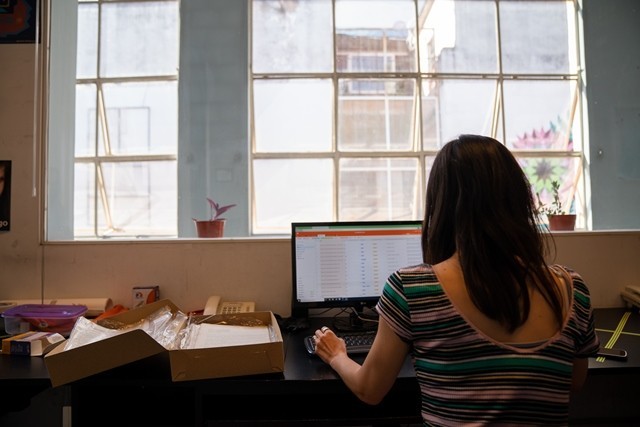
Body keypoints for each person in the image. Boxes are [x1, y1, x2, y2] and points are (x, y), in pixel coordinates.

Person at [312, 134, 600, 426]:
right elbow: (575, 381)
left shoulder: (412, 290)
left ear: (441, 206)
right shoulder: (571, 289)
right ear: (518, 199)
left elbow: (370, 389)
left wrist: (336, 355)